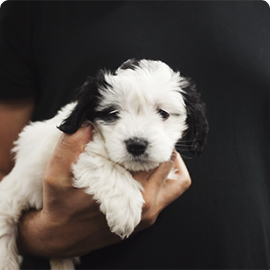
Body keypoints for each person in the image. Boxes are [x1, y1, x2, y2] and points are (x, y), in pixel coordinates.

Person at [0, 1, 270, 269]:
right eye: (114, 114)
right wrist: (47, 236)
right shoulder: (33, 9)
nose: (138, 135)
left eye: (163, 113)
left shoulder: (261, 10)